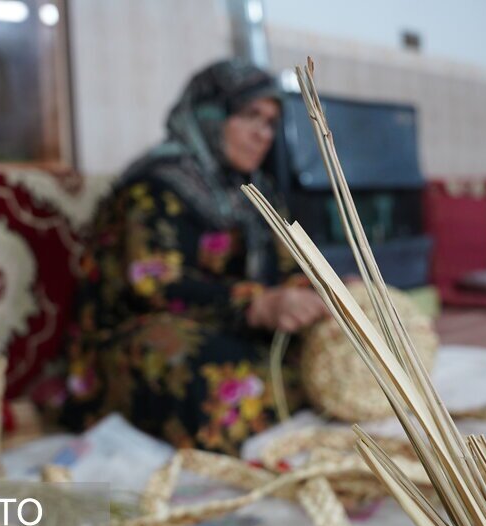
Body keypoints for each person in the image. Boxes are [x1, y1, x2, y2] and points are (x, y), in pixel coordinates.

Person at [59, 59, 327, 454]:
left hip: (228, 325)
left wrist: (323, 295)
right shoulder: (156, 184)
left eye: (270, 122)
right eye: (250, 116)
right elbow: (154, 284)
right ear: (210, 115)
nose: (263, 134)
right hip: (137, 331)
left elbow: (290, 262)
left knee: (322, 352)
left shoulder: (255, 190)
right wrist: (255, 304)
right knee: (209, 377)